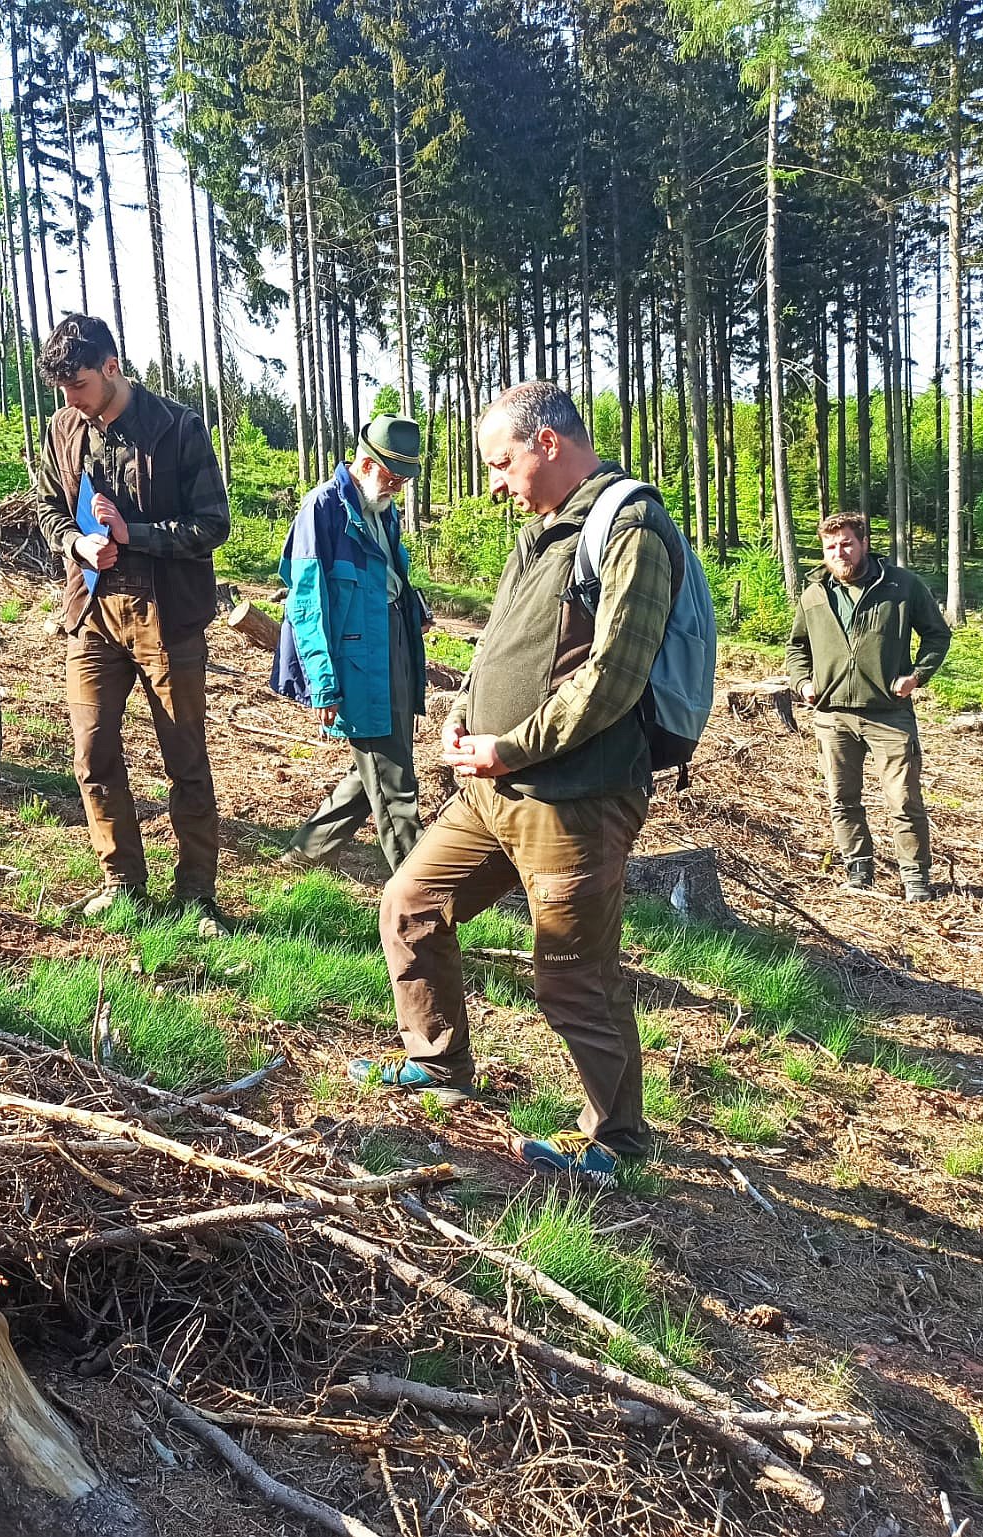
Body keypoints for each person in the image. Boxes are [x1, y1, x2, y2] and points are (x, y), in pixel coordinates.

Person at [359, 383, 688, 1186]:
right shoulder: (539, 531)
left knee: (574, 974)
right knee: (409, 904)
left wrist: (513, 746)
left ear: (548, 442)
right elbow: (498, 645)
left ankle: (615, 1141)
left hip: (574, 798)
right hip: (491, 789)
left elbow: (614, 676)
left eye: (501, 463)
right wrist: (463, 715)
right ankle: (437, 1060)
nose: (495, 483)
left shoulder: (630, 526)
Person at [33, 314, 229, 933]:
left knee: (185, 760)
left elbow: (212, 526)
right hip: (91, 611)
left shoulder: (177, 427)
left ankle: (196, 895)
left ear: (112, 368)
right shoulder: (63, 428)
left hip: (165, 616)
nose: (72, 401)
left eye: (80, 386)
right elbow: (47, 506)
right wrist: (76, 543)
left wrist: (132, 535)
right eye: (63, 390)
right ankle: (122, 883)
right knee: (92, 752)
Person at [272, 414, 430, 873]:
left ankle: (306, 851)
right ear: (364, 464)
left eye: (404, 480)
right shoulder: (321, 509)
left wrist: (412, 610)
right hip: (357, 660)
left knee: (377, 764)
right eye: (392, 477)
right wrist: (322, 683)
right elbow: (306, 603)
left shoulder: (383, 508)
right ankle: (422, 886)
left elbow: (387, 577)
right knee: (393, 777)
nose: (398, 488)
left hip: (394, 644)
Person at [785, 511, 951, 901]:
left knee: (904, 799)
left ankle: (916, 878)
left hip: (889, 714)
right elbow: (796, 647)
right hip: (832, 715)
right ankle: (858, 871)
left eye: (846, 543)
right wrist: (803, 683)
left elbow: (937, 635)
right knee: (842, 799)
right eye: (830, 546)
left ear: (863, 543)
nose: (838, 552)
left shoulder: (901, 585)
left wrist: (916, 676)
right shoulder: (814, 594)